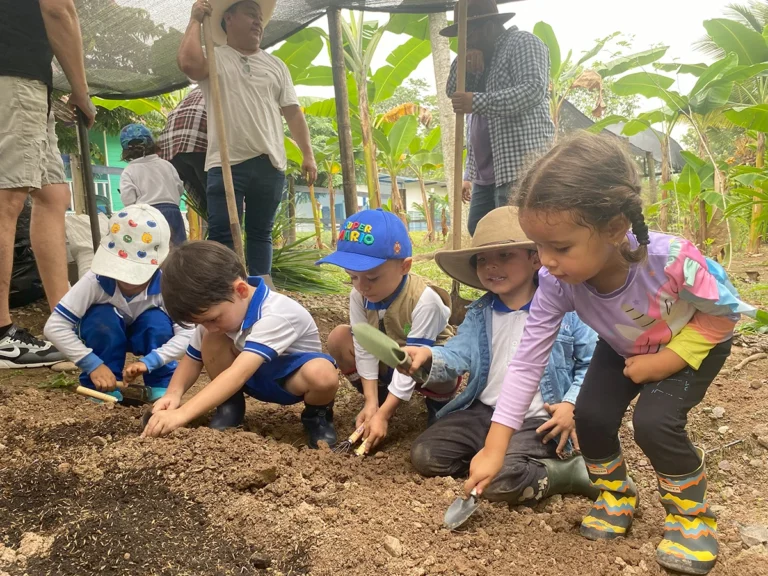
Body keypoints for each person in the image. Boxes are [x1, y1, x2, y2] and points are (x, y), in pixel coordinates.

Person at [463, 133, 763, 575]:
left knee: (655, 423)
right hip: (624, 344)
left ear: (615, 227)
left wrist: (667, 361)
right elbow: (528, 360)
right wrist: (495, 445)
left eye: (559, 247)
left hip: (695, 342)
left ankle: (691, 519)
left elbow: (725, 317)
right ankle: (615, 494)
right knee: (591, 416)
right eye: (537, 247)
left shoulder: (672, 261)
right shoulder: (557, 282)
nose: (545, 261)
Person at [406, 207, 598, 505]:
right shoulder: (481, 313)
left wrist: (571, 404)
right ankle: (498, 456)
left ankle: (564, 471)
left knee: (500, 482)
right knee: (425, 455)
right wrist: (427, 356)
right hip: (486, 412)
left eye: (505, 256)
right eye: (482, 259)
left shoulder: (568, 311)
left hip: (539, 419)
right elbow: (457, 354)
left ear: (535, 258)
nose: (491, 266)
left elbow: (592, 364)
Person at [142, 241, 338, 449]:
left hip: (288, 381)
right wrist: (173, 394)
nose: (209, 326)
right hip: (247, 375)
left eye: (212, 319)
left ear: (241, 290)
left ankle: (317, 417)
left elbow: (238, 374)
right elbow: (192, 359)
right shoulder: (217, 314)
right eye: (201, 322)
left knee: (322, 374)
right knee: (212, 337)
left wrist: (182, 414)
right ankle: (229, 406)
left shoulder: (279, 314)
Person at [178, 0, 317, 277]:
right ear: (228, 19)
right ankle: (226, 289)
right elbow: (189, 64)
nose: (258, 22)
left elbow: (293, 114)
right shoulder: (215, 57)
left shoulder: (276, 66)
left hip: (269, 163)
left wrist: (308, 154)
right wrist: (195, 20)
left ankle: (260, 291)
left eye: (260, 18)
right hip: (226, 162)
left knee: (260, 233)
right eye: (250, 15)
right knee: (222, 231)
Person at [0, 0, 97, 368]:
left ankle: (63, 320)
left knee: (53, 192)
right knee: (6, 198)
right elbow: (58, 9)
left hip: (29, 80)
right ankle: (1, 336)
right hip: (12, 75)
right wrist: (81, 90)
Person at [318, 209, 457, 453]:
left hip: (421, 361)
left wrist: (385, 414)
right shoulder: (358, 295)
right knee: (340, 337)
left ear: (404, 266)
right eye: (353, 278)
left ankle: (439, 405)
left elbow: (411, 361)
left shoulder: (425, 300)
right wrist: (372, 403)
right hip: (389, 356)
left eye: (372, 277)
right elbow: (364, 346)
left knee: (442, 366)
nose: (362, 287)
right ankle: (379, 395)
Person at [44, 205, 193, 402]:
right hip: (107, 334)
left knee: (156, 321)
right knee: (102, 318)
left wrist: (152, 361)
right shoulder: (94, 281)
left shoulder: (167, 287)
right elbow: (54, 327)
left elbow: (189, 333)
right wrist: (92, 364)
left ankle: (160, 383)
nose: (127, 280)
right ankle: (101, 384)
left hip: (146, 338)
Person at [442, 0, 554, 236]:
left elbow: (532, 90)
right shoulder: (477, 58)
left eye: (468, 34)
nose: (465, 42)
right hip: (485, 173)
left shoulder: (523, 43)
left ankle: (530, 275)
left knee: (513, 234)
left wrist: (477, 101)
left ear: (490, 27)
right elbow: (453, 92)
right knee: (479, 229)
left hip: (518, 166)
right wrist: (462, 62)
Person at [119, 124, 187, 246]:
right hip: (173, 213)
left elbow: (128, 199)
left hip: (146, 216)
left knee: (151, 254)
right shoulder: (167, 165)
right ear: (152, 144)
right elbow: (180, 188)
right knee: (179, 252)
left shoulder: (129, 170)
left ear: (126, 151)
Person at [157, 87, 208, 219]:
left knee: (208, 196)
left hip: (171, 146)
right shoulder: (227, 86)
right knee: (217, 197)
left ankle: (213, 220)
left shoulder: (199, 88)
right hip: (197, 140)